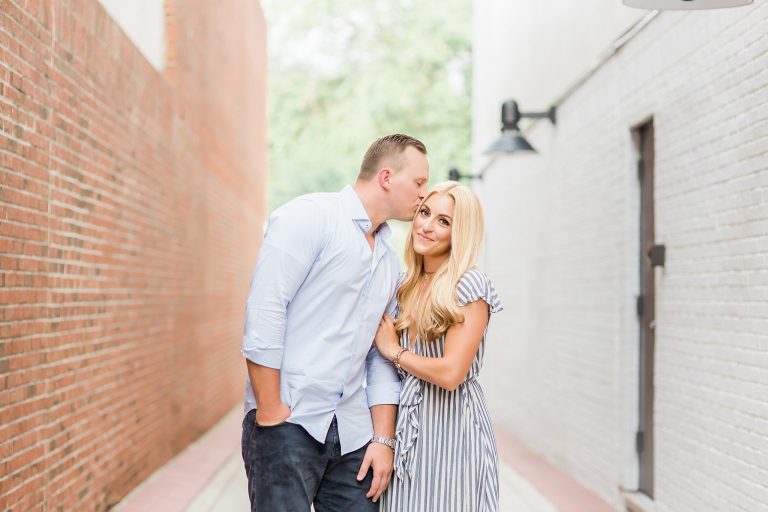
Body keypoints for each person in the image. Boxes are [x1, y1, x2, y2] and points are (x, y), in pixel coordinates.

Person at [241, 134, 430, 512]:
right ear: (387, 177)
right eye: (419, 182)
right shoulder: (309, 216)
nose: (424, 195)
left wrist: (383, 439)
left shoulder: (390, 262)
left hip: (353, 433)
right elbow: (265, 309)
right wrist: (271, 411)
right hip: (289, 421)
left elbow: (379, 356)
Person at [374, 181, 503, 512]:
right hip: (410, 428)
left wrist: (395, 352)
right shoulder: (405, 285)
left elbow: (451, 373)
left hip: (453, 429)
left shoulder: (469, 284)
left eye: (443, 221)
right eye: (425, 213)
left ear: (460, 233)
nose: (427, 226)